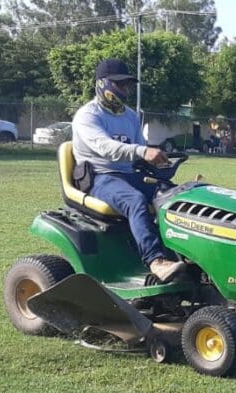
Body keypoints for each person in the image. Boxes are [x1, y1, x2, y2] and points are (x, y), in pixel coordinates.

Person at [71, 58, 185, 282]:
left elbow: (139, 150)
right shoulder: (88, 116)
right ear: (103, 84)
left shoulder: (131, 116)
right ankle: (156, 261)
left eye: (128, 84)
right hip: (100, 177)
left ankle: (184, 255)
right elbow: (105, 148)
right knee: (135, 201)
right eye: (120, 84)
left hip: (130, 174)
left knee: (176, 196)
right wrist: (143, 152)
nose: (125, 89)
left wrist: (157, 162)